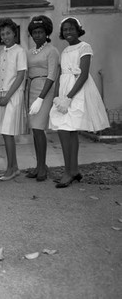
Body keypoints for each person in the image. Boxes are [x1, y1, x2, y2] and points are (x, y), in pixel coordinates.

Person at [49, 17, 109, 188]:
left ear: (78, 30)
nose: (68, 32)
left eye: (71, 29)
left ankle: (69, 172)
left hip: (77, 92)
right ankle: (73, 170)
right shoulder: (65, 51)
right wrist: (57, 97)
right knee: (66, 130)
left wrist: (69, 97)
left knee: (67, 129)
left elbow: (83, 75)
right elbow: (61, 75)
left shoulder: (85, 47)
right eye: (65, 30)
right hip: (64, 92)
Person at [25, 16, 60, 182]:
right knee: (34, 129)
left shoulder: (52, 50)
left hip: (44, 90)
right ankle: (39, 165)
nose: (37, 35)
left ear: (47, 33)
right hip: (31, 88)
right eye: (34, 32)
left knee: (39, 129)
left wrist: (41, 98)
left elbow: (52, 75)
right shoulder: (30, 52)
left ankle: (42, 167)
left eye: (40, 32)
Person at [0, 18, 27, 181]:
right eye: (2, 34)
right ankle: (14, 167)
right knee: (6, 133)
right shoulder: (1, 52)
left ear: (15, 33)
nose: (5, 36)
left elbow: (21, 75)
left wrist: (7, 96)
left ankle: (11, 168)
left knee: (8, 132)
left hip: (13, 95)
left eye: (8, 33)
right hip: (2, 95)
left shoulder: (19, 51)